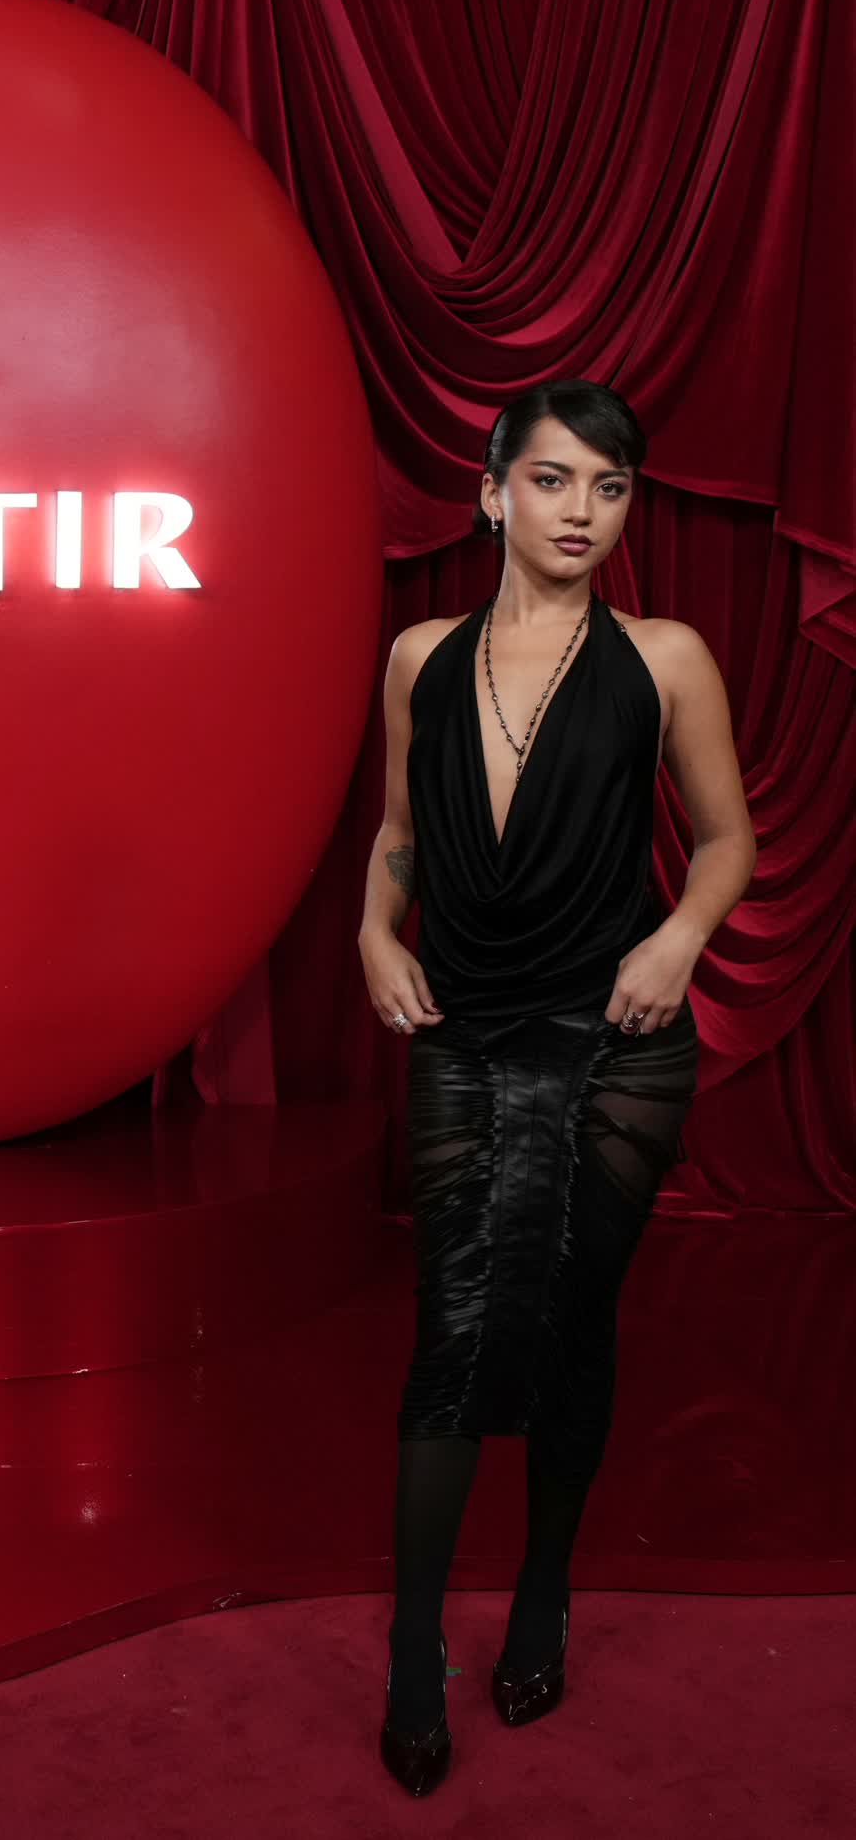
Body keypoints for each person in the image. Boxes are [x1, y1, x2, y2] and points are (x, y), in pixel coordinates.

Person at [357, 379, 756, 1796]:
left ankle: (543, 1593)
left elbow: (727, 840)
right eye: (553, 480)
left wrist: (680, 934)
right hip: (466, 1034)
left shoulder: (666, 657)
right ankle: (414, 1653)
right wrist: (372, 931)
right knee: (455, 1335)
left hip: (616, 1040)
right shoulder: (419, 657)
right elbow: (400, 832)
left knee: (574, 1323)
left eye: (610, 486)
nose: (582, 510)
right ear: (491, 494)